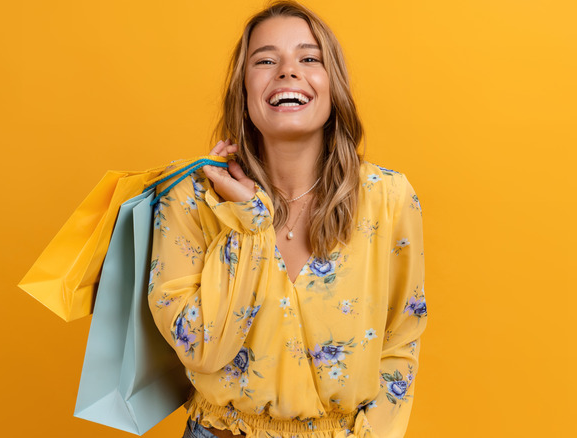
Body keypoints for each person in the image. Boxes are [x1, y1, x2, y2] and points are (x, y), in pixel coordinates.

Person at [149, 1, 428, 437]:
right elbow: (202, 349)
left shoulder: (389, 198)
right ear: (243, 90)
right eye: (265, 60)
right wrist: (247, 223)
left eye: (309, 58)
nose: (288, 71)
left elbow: (401, 339)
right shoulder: (190, 197)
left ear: (332, 85)